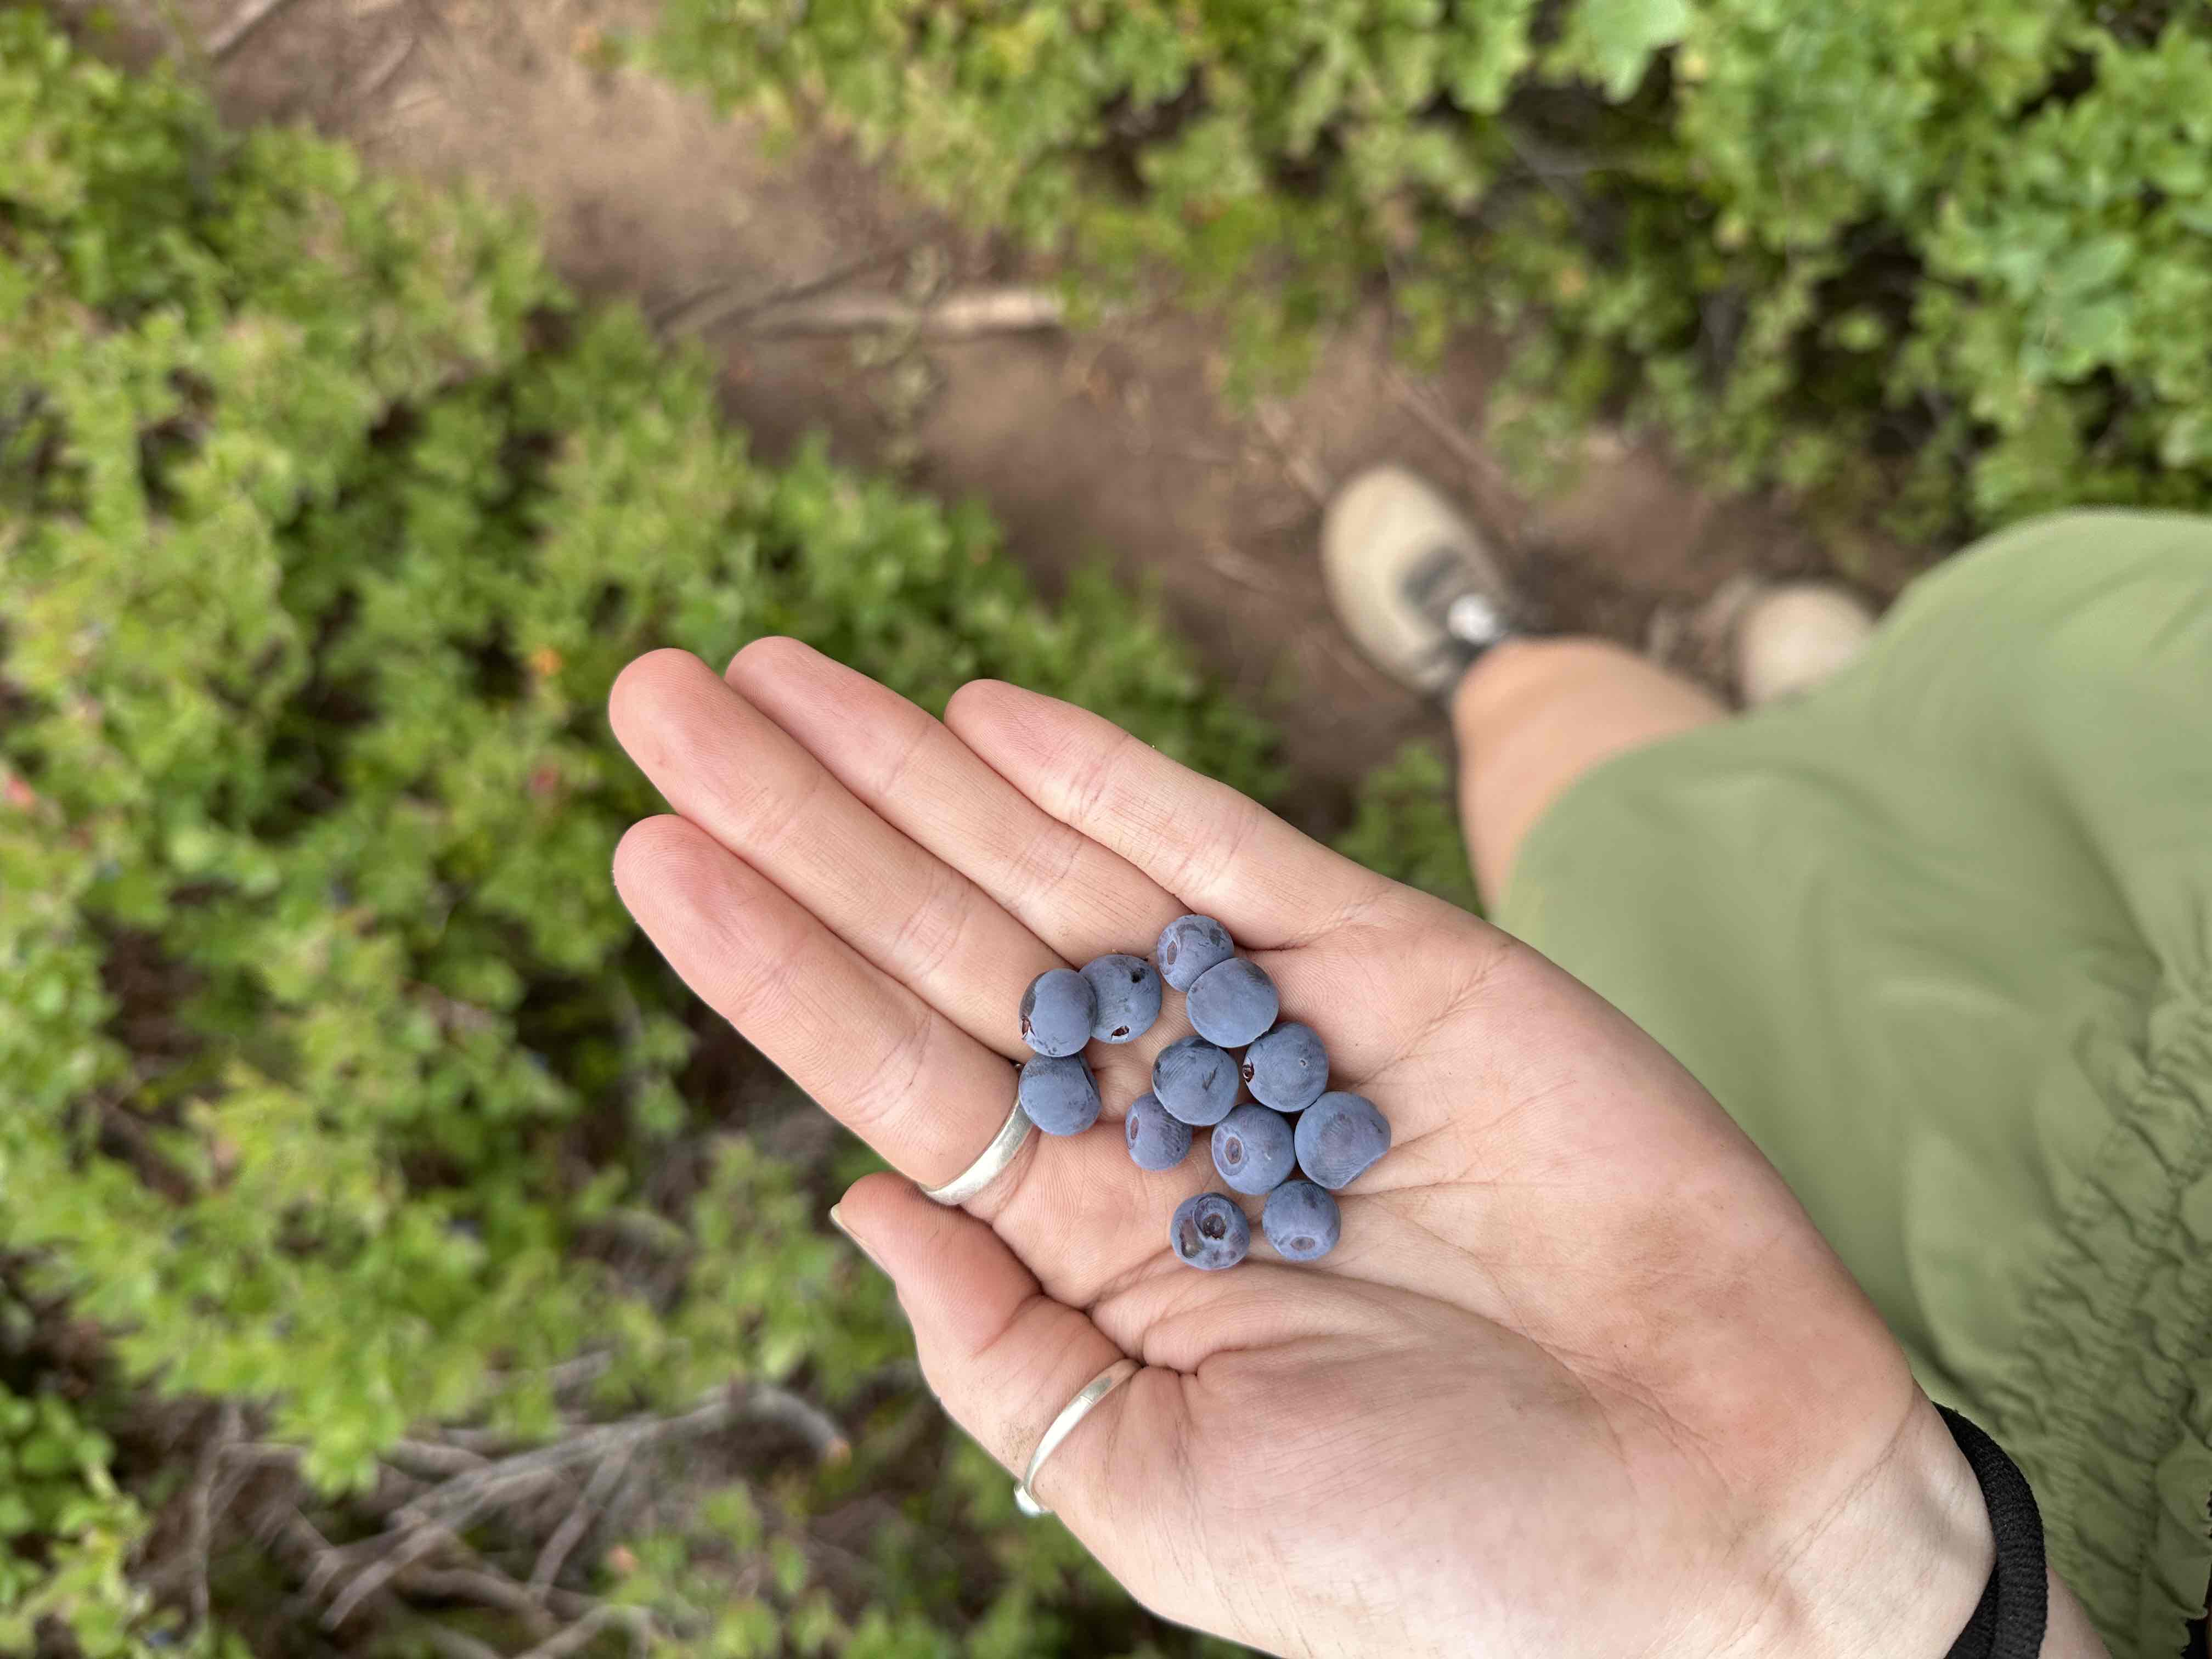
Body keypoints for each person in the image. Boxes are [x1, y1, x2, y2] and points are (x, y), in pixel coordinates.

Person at [603, 467, 2208, 1657]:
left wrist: (1844, 1592)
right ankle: (1855, 723)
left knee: (1646, 874)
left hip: (2047, 1430)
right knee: (2018, 711)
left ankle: (1514, 672)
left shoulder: (1232, 1128)